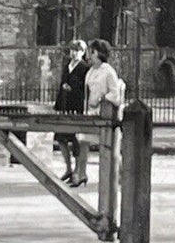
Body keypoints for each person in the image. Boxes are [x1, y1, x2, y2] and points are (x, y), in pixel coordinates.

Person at [72, 38, 124, 187]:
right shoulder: (91, 71)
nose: (90, 55)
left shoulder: (108, 71)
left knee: (107, 145)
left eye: (93, 52)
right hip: (90, 111)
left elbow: (115, 94)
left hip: (104, 113)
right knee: (83, 141)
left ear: (100, 53)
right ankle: (81, 174)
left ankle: (120, 173)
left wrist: (101, 99)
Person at [53, 38, 90, 185]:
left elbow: (84, 89)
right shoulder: (66, 66)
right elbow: (61, 84)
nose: (74, 53)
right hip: (64, 105)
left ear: (82, 52)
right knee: (61, 138)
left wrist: (73, 89)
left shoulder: (84, 67)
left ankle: (77, 171)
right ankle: (67, 168)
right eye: (72, 50)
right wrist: (57, 105)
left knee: (76, 140)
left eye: (77, 50)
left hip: (76, 106)